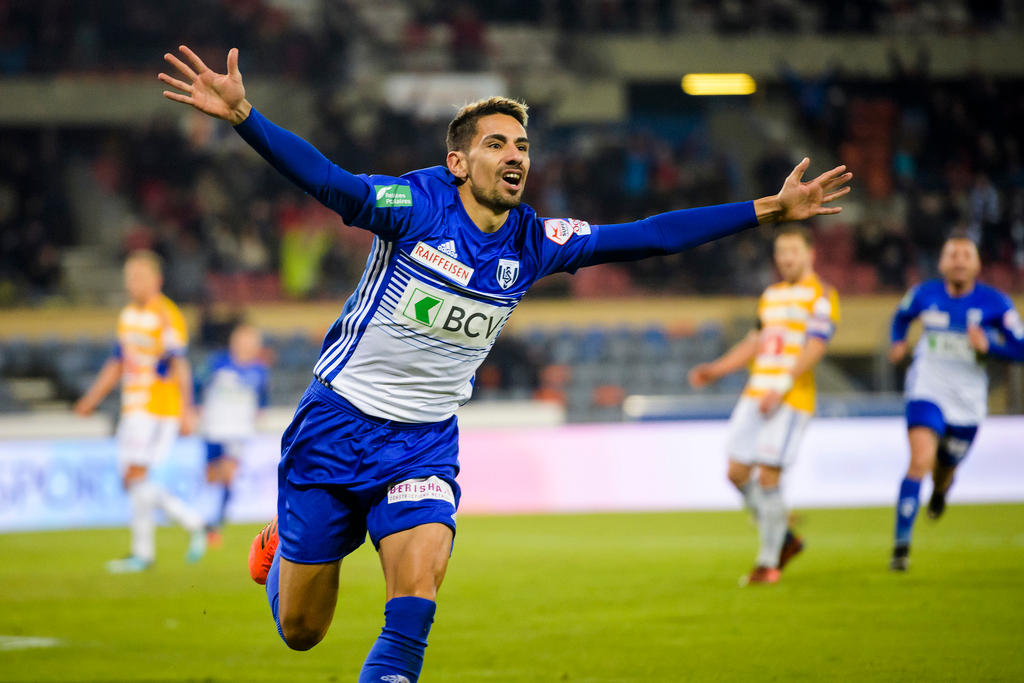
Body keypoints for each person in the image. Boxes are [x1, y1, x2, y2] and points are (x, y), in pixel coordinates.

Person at [159, 45, 851, 680]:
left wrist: (768, 209)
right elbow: (331, 182)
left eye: (522, 145)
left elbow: (651, 236)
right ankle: (285, 546)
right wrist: (245, 117)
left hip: (422, 443)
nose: (515, 155)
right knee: (303, 631)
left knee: (416, 598)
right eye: (496, 144)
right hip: (336, 425)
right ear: (460, 162)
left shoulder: (535, 240)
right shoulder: (416, 204)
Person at [688, 226, 839, 585]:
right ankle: (784, 536)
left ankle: (768, 563)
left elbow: (815, 347)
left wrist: (783, 384)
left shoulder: (822, 296)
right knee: (736, 473)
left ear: (810, 254)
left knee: (769, 476)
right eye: (781, 252)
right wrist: (717, 369)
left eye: (793, 251)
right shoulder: (770, 295)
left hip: (790, 398)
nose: (786, 258)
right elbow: (756, 343)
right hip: (756, 394)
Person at [887, 235, 1024, 571]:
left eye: (966, 255)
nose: (959, 260)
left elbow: (1020, 348)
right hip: (927, 389)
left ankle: (940, 492)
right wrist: (898, 341)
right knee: (920, 460)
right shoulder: (923, 294)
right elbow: (900, 317)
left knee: (945, 469)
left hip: (967, 401)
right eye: (953, 254)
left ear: (977, 264)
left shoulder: (997, 304)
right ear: (941, 263)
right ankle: (901, 548)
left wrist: (990, 348)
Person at [74, 250, 206, 572]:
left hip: (157, 409)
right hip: (133, 407)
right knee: (131, 480)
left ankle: (166, 539)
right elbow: (118, 363)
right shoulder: (127, 317)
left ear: (156, 280)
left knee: (135, 477)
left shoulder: (166, 316)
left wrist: (187, 410)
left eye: (139, 277)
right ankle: (171, 536)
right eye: (130, 277)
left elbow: (179, 364)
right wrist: (92, 398)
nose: (133, 283)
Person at [197, 323, 270, 546]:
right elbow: (197, 383)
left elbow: (262, 396)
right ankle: (204, 518)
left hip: (238, 430)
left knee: (229, 474)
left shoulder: (259, 370)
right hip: (213, 426)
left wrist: (259, 412)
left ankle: (216, 524)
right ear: (234, 342)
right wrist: (194, 407)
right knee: (211, 476)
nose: (247, 346)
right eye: (243, 341)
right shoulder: (217, 363)